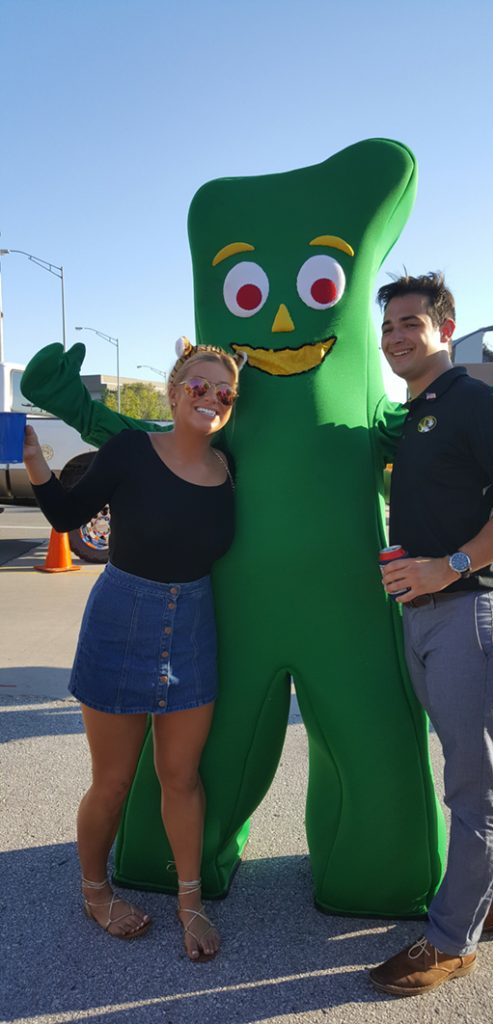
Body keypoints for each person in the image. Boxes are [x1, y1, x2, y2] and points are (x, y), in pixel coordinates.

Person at [23, 341, 241, 962]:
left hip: (193, 625)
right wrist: (35, 462)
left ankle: (189, 902)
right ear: (172, 393)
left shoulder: (232, 469)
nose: (210, 396)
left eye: (222, 389)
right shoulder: (130, 451)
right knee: (114, 781)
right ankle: (95, 891)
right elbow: (67, 517)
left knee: (181, 776)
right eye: (197, 385)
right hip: (122, 618)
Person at [369, 272, 493, 998]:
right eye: (386, 327)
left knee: (470, 788)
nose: (395, 337)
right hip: (432, 614)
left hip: (471, 613)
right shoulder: (418, 415)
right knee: (488, 766)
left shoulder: (477, 403)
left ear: (445, 328)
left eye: (410, 323)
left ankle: (451, 940)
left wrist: (448, 567)